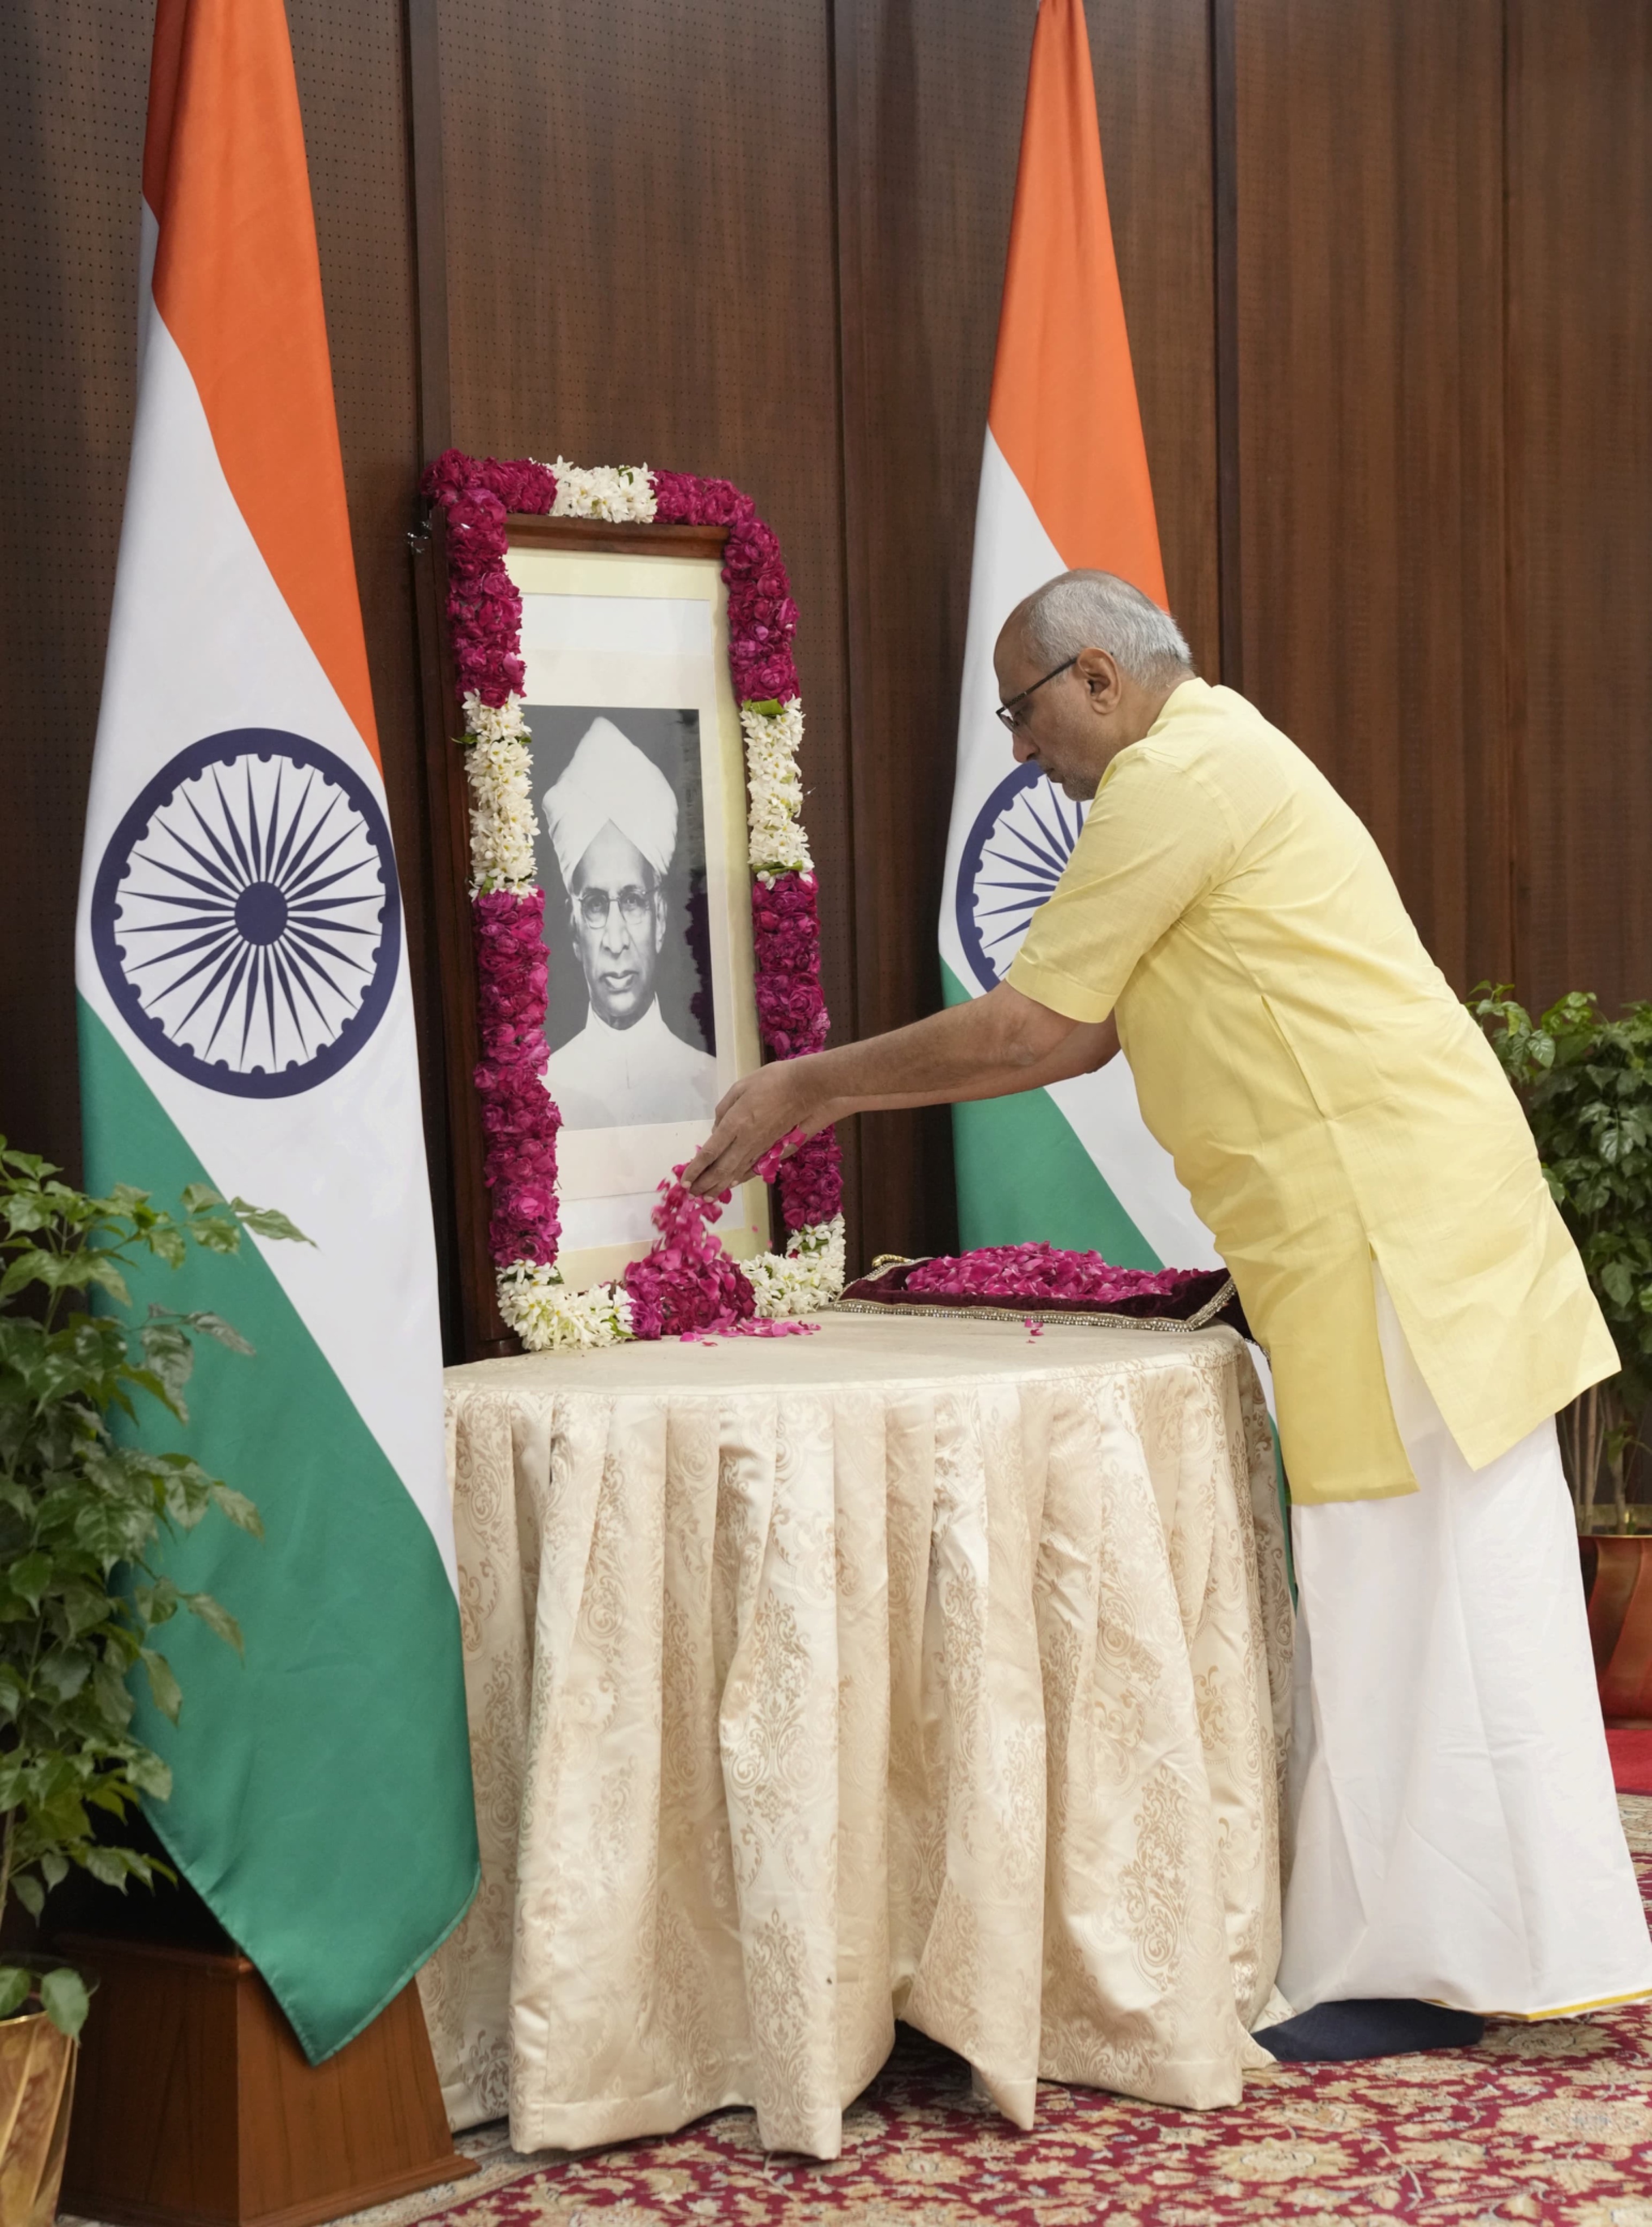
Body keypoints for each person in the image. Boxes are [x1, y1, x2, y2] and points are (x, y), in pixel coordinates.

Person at [684, 568, 1652, 2060]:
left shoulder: (1171, 776)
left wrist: (805, 1089)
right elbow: (1081, 1032)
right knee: (1433, 1585)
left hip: (1381, 1223)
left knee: (1414, 1588)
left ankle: (1442, 1961)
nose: (1020, 753)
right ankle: (1473, 1948)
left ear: (1092, 677)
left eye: (1021, 714)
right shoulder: (1218, 751)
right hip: (1395, 1217)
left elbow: (1040, 1029)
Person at [540, 716, 718, 1128]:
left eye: (634, 900)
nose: (616, 942)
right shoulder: (542, 1092)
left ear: (659, 920)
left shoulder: (712, 1082)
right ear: (573, 927)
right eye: (597, 905)